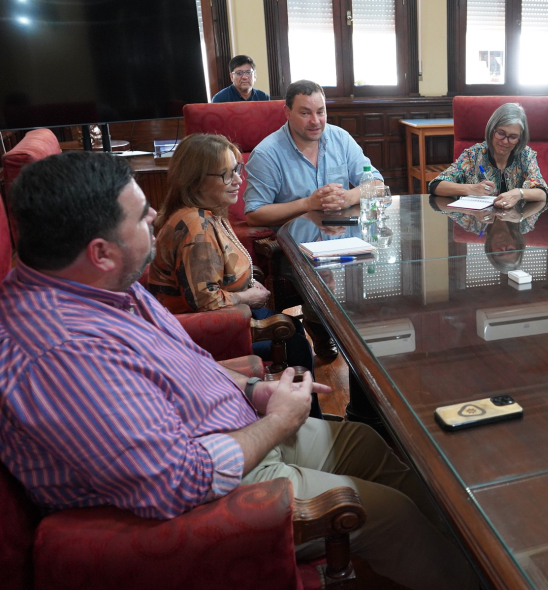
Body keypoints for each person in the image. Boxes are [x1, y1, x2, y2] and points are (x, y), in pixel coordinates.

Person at [0, 152, 477, 590]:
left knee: (366, 445)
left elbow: (186, 362)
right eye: (141, 215)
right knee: (395, 516)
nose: (154, 219)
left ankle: (467, 554)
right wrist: (278, 422)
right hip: (207, 494)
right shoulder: (64, 356)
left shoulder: (100, 283)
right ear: (101, 251)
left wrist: (253, 390)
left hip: (235, 429)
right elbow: (179, 482)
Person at [147, 133, 315, 379]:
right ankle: (300, 415)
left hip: (219, 319)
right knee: (293, 336)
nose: (238, 179)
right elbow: (205, 303)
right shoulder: (197, 228)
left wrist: (247, 284)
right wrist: (247, 296)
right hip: (197, 338)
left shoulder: (206, 213)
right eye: (226, 174)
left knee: (295, 329)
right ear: (195, 181)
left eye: (237, 169)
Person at [243, 79, 383, 359]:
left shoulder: (341, 139)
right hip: (295, 248)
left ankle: (364, 341)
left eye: (321, 111)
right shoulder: (268, 153)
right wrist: (308, 203)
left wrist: (349, 197)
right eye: (305, 112)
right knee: (324, 282)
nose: (316, 121)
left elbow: (376, 183)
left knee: (379, 269)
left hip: (346, 237)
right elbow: (254, 212)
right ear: (287, 112)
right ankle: (321, 330)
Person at [429, 102, 548, 209]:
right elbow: (436, 185)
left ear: (520, 138)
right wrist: (472, 189)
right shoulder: (473, 155)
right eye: (501, 133)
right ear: (492, 130)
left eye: (513, 137)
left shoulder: (525, 155)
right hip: (481, 226)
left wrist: (519, 193)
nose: (505, 141)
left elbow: (542, 193)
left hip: (515, 226)